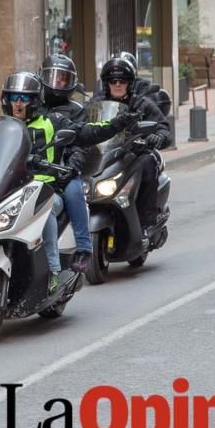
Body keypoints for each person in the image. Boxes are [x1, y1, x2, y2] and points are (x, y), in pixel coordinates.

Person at [37, 55, 137, 274]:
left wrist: (72, 166)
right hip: (35, 171)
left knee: (75, 191)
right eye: (51, 77)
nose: (57, 83)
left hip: (63, 168)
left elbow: (84, 139)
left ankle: (83, 247)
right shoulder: (34, 108)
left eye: (63, 79)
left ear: (71, 83)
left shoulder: (75, 110)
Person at [100, 56, 171, 241]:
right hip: (108, 155)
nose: (117, 85)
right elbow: (85, 126)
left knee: (147, 163)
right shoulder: (97, 106)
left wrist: (158, 136)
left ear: (129, 83)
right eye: (112, 81)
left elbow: (164, 128)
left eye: (122, 81)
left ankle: (147, 221)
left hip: (135, 153)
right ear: (106, 84)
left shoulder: (141, 104)